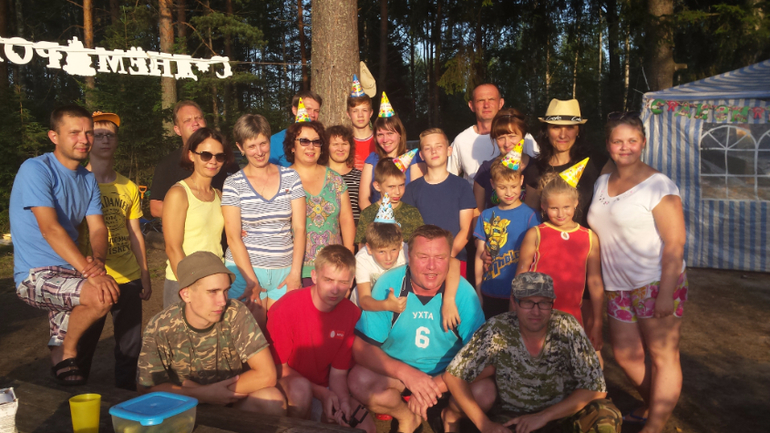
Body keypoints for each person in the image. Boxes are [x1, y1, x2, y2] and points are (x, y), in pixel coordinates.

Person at [587, 113, 688, 433]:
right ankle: (654, 404)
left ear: (643, 142)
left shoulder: (658, 185)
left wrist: (666, 293)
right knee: (626, 356)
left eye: (632, 141)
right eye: (617, 141)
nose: (625, 147)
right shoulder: (603, 180)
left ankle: (654, 426)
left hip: (654, 281)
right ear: (608, 145)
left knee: (662, 356)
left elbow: (676, 241)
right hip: (617, 286)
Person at [10, 104, 119, 386]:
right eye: (74, 133)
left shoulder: (87, 178)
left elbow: (98, 227)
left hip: (70, 270)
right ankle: (66, 352)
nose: (84, 139)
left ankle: (60, 352)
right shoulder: (35, 169)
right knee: (101, 296)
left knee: (106, 291)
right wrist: (90, 271)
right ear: (54, 136)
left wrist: (98, 260)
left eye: (88, 132)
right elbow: (50, 229)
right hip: (35, 274)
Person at [348, 225, 486, 433]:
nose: (431, 266)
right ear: (408, 256)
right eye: (423, 257)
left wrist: (436, 385)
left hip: (448, 379)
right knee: (359, 380)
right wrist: (406, 373)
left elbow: (483, 357)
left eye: (440, 257)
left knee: (486, 391)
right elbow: (361, 348)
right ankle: (407, 417)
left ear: (449, 259)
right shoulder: (390, 284)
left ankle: (450, 414)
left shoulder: (463, 292)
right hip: (400, 377)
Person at [443, 272, 621, 433]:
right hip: (515, 419)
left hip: (563, 413)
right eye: (527, 302)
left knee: (605, 415)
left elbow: (596, 388)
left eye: (543, 302)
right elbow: (453, 376)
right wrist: (485, 424)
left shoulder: (567, 327)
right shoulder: (497, 329)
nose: (536, 311)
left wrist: (544, 416)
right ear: (514, 302)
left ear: (552, 303)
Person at [137, 251, 286, 415]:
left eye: (225, 291)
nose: (222, 301)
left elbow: (266, 375)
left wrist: (212, 393)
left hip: (230, 401)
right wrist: (202, 394)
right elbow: (146, 386)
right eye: (213, 292)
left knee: (272, 399)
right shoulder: (161, 327)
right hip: (183, 408)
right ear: (186, 294)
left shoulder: (235, 312)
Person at [522, 98, 611, 339]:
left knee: (585, 339)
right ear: (546, 130)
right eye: (555, 127)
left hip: (585, 260)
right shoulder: (535, 168)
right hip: (548, 265)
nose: (563, 134)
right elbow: (528, 216)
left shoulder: (598, 163)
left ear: (578, 130)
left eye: (569, 127)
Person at [76, 111, 152, 390]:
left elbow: (135, 233)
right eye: (99, 135)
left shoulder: (128, 186)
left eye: (110, 135)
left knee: (130, 346)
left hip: (128, 277)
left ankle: (125, 399)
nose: (105, 140)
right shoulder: (77, 182)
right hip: (90, 278)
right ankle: (72, 396)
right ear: (88, 140)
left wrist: (144, 273)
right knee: (83, 343)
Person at [267, 245, 376, 432]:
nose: (335, 289)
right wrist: (322, 394)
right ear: (314, 276)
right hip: (289, 386)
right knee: (300, 390)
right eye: (328, 280)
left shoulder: (352, 313)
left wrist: (342, 400)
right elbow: (278, 368)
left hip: (325, 388)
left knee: (366, 428)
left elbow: (338, 373)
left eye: (343, 282)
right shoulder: (285, 308)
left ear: (352, 282)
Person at [222, 114, 306, 329]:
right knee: (250, 337)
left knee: (282, 333)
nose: (259, 152)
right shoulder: (233, 184)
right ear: (240, 147)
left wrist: (295, 274)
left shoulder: (291, 178)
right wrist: (251, 281)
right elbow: (233, 236)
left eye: (263, 143)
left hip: (284, 271)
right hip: (246, 271)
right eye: (251, 146)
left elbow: (299, 228)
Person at [517, 169, 605, 353]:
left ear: (576, 203)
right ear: (543, 206)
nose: (560, 213)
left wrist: (597, 322)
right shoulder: (536, 233)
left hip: (572, 317)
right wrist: (515, 312)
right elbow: (521, 276)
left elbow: (595, 281)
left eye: (566, 207)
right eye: (554, 208)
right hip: (536, 315)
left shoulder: (589, 237)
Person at [162, 128, 231, 307]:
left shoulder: (219, 195)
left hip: (215, 282)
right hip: (183, 283)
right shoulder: (179, 193)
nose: (213, 161)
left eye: (219, 156)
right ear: (191, 155)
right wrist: (190, 286)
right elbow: (172, 247)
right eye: (206, 155)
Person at [284, 118, 355, 286]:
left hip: (334, 271)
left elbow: (346, 221)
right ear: (292, 146)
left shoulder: (335, 180)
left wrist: (348, 264)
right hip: (294, 271)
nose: (311, 147)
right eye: (304, 141)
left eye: (316, 142)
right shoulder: (282, 180)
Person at [402, 128, 477, 277]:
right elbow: (409, 231)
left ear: (449, 150)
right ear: (421, 155)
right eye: (427, 148)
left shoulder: (462, 186)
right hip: (422, 264)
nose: (434, 151)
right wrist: (427, 259)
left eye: (439, 146)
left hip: (455, 259)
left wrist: (446, 257)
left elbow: (466, 229)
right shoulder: (411, 189)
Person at [473, 156, 540, 319]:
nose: (509, 193)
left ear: (521, 181)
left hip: (521, 295)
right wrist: (478, 291)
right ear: (492, 184)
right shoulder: (486, 216)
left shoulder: (532, 216)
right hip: (489, 292)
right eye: (502, 187)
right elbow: (479, 255)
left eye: (513, 186)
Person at [149, 100, 239, 217]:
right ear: (177, 130)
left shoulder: (226, 160)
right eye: (187, 120)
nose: (195, 123)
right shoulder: (168, 164)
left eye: (198, 118)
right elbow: (155, 208)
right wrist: (198, 213)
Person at [448, 83, 538, 184]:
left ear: (501, 103)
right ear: (471, 105)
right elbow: (449, 179)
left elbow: (539, 169)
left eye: (491, 100)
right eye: (480, 100)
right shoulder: (461, 140)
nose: (486, 105)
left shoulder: (523, 137)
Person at [358, 93, 425, 209]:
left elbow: (418, 197)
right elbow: (363, 200)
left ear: (400, 134)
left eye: (390, 133)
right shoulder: (372, 160)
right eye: (380, 134)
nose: (385, 139)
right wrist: (378, 217)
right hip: (377, 217)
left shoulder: (414, 159)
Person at [355, 158, 424, 247]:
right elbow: (362, 247)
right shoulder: (367, 214)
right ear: (377, 186)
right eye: (391, 186)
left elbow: (421, 244)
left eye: (401, 185)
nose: (397, 192)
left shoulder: (412, 212)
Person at [473, 108, 532, 211]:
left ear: (523, 136)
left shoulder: (536, 168)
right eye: (501, 138)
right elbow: (477, 212)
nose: (507, 143)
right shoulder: (486, 170)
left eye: (512, 136)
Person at [269, 90, 323, 167]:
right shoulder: (276, 140)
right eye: (308, 109)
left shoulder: (322, 139)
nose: (313, 115)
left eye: (316, 111)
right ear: (294, 110)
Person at [325, 125, 362, 225]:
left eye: (344, 144)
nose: (340, 149)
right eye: (335, 144)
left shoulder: (359, 177)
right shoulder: (320, 175)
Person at [347, 75, 377, 170]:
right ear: (348, 114)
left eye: (364, 110)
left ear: (371, 113)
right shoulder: (344, 143)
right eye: (355, 111)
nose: (360, 115)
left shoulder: (380, 140)